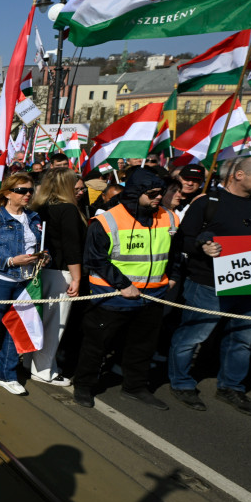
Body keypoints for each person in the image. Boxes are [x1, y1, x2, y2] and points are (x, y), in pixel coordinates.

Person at [166, 157, 251, 415]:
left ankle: (231, 387)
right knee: (193, 336)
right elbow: (183, 240)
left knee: (242, 339)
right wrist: (202, 246)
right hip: (207, 283)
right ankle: (181, 382)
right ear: (239, 175)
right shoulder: (207, 202)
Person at [71, 170, 177, 410]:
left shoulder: (169, 217)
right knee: (96, 345)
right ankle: (84, 385)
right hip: (113, 298)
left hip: (152, 297)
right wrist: (124, 285)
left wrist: (174, 276)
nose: (158, 197)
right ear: (136, 192)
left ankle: (135, 387)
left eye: (161, 193)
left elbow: (175, 251)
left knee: (142, 346)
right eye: (152, 193)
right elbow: (95, 259)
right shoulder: (107, 220)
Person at [0, 173, 43, 396]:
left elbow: (41, 246)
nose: (27, 194)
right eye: (22, 190)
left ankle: (8, 374)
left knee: (17, 328)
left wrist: (44, 256)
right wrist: (10, 261)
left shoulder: (34, 218)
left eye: (30, 190)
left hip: (26, 281)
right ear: (8, 193)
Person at [28, 168, 86, 387]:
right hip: (61, 272)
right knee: (54, 324)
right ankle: (43, 369)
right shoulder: (68, 209)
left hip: (41, 270)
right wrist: (77, 278)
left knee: (40, 320)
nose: (79, 188)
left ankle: (33, 362)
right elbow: (72, 247)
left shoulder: (39, 207)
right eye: (74, 184)